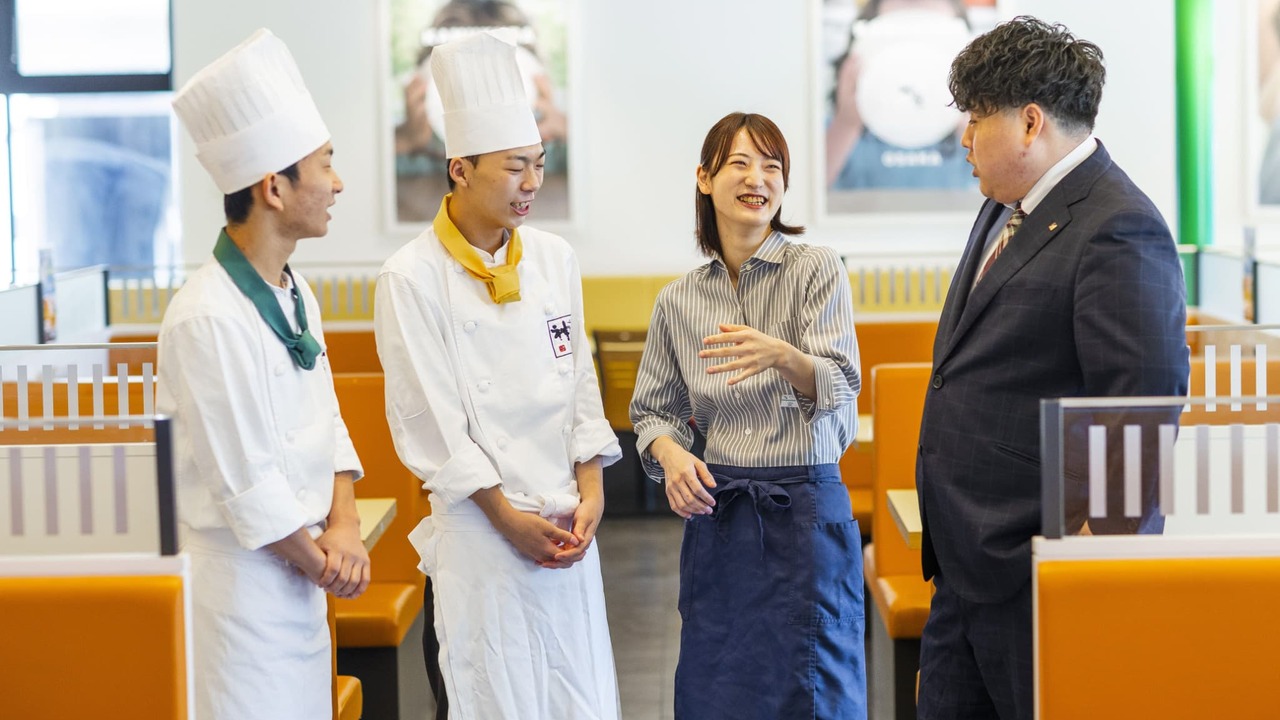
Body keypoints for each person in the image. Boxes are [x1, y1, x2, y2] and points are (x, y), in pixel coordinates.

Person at [915, 17, 1190, 720]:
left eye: (976, 119)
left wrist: (1086, 579)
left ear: (1030, 122)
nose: (965, 139)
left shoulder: (1117, 225)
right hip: (965, 564)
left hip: (1038, 574)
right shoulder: (1004, 206)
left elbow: (1141, 411)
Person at [374, 31, 621, 720]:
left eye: (539, 165)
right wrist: (509, 520)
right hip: (483, 539)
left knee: (580, 698)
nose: (533, 184)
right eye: (515, 168)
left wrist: (592, 490)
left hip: (568, 528)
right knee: (495, 699)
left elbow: (579, 386)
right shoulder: (410, 278)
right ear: (461, 168)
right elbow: (434, 427)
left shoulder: (553, 259)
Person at [160, 29, 369, 719]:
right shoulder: (206, 317)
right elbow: (245, 484)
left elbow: (332, 426)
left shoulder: (295, 293)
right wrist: (328, 564)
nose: (338, 183)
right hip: (242, 602)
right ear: (273, 188)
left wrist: (344, 530)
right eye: (326, 165)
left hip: (303, 584)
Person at [630, 112, 865, 719]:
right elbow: (654, 411)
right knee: (718, 693)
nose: (757, 177)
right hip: (721, 514)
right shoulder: (678, 300)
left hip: (805, 510)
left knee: (815, 691)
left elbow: (842, 386)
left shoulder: (817, 268)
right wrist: (672, 452)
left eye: (772, 165)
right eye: (739, 163)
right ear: (705, 179)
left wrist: (785, 357)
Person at [825, 0, 975, 190]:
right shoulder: (837, 128)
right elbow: (800, 193)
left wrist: (969, 119)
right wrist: (846, 123)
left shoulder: (975, 133)